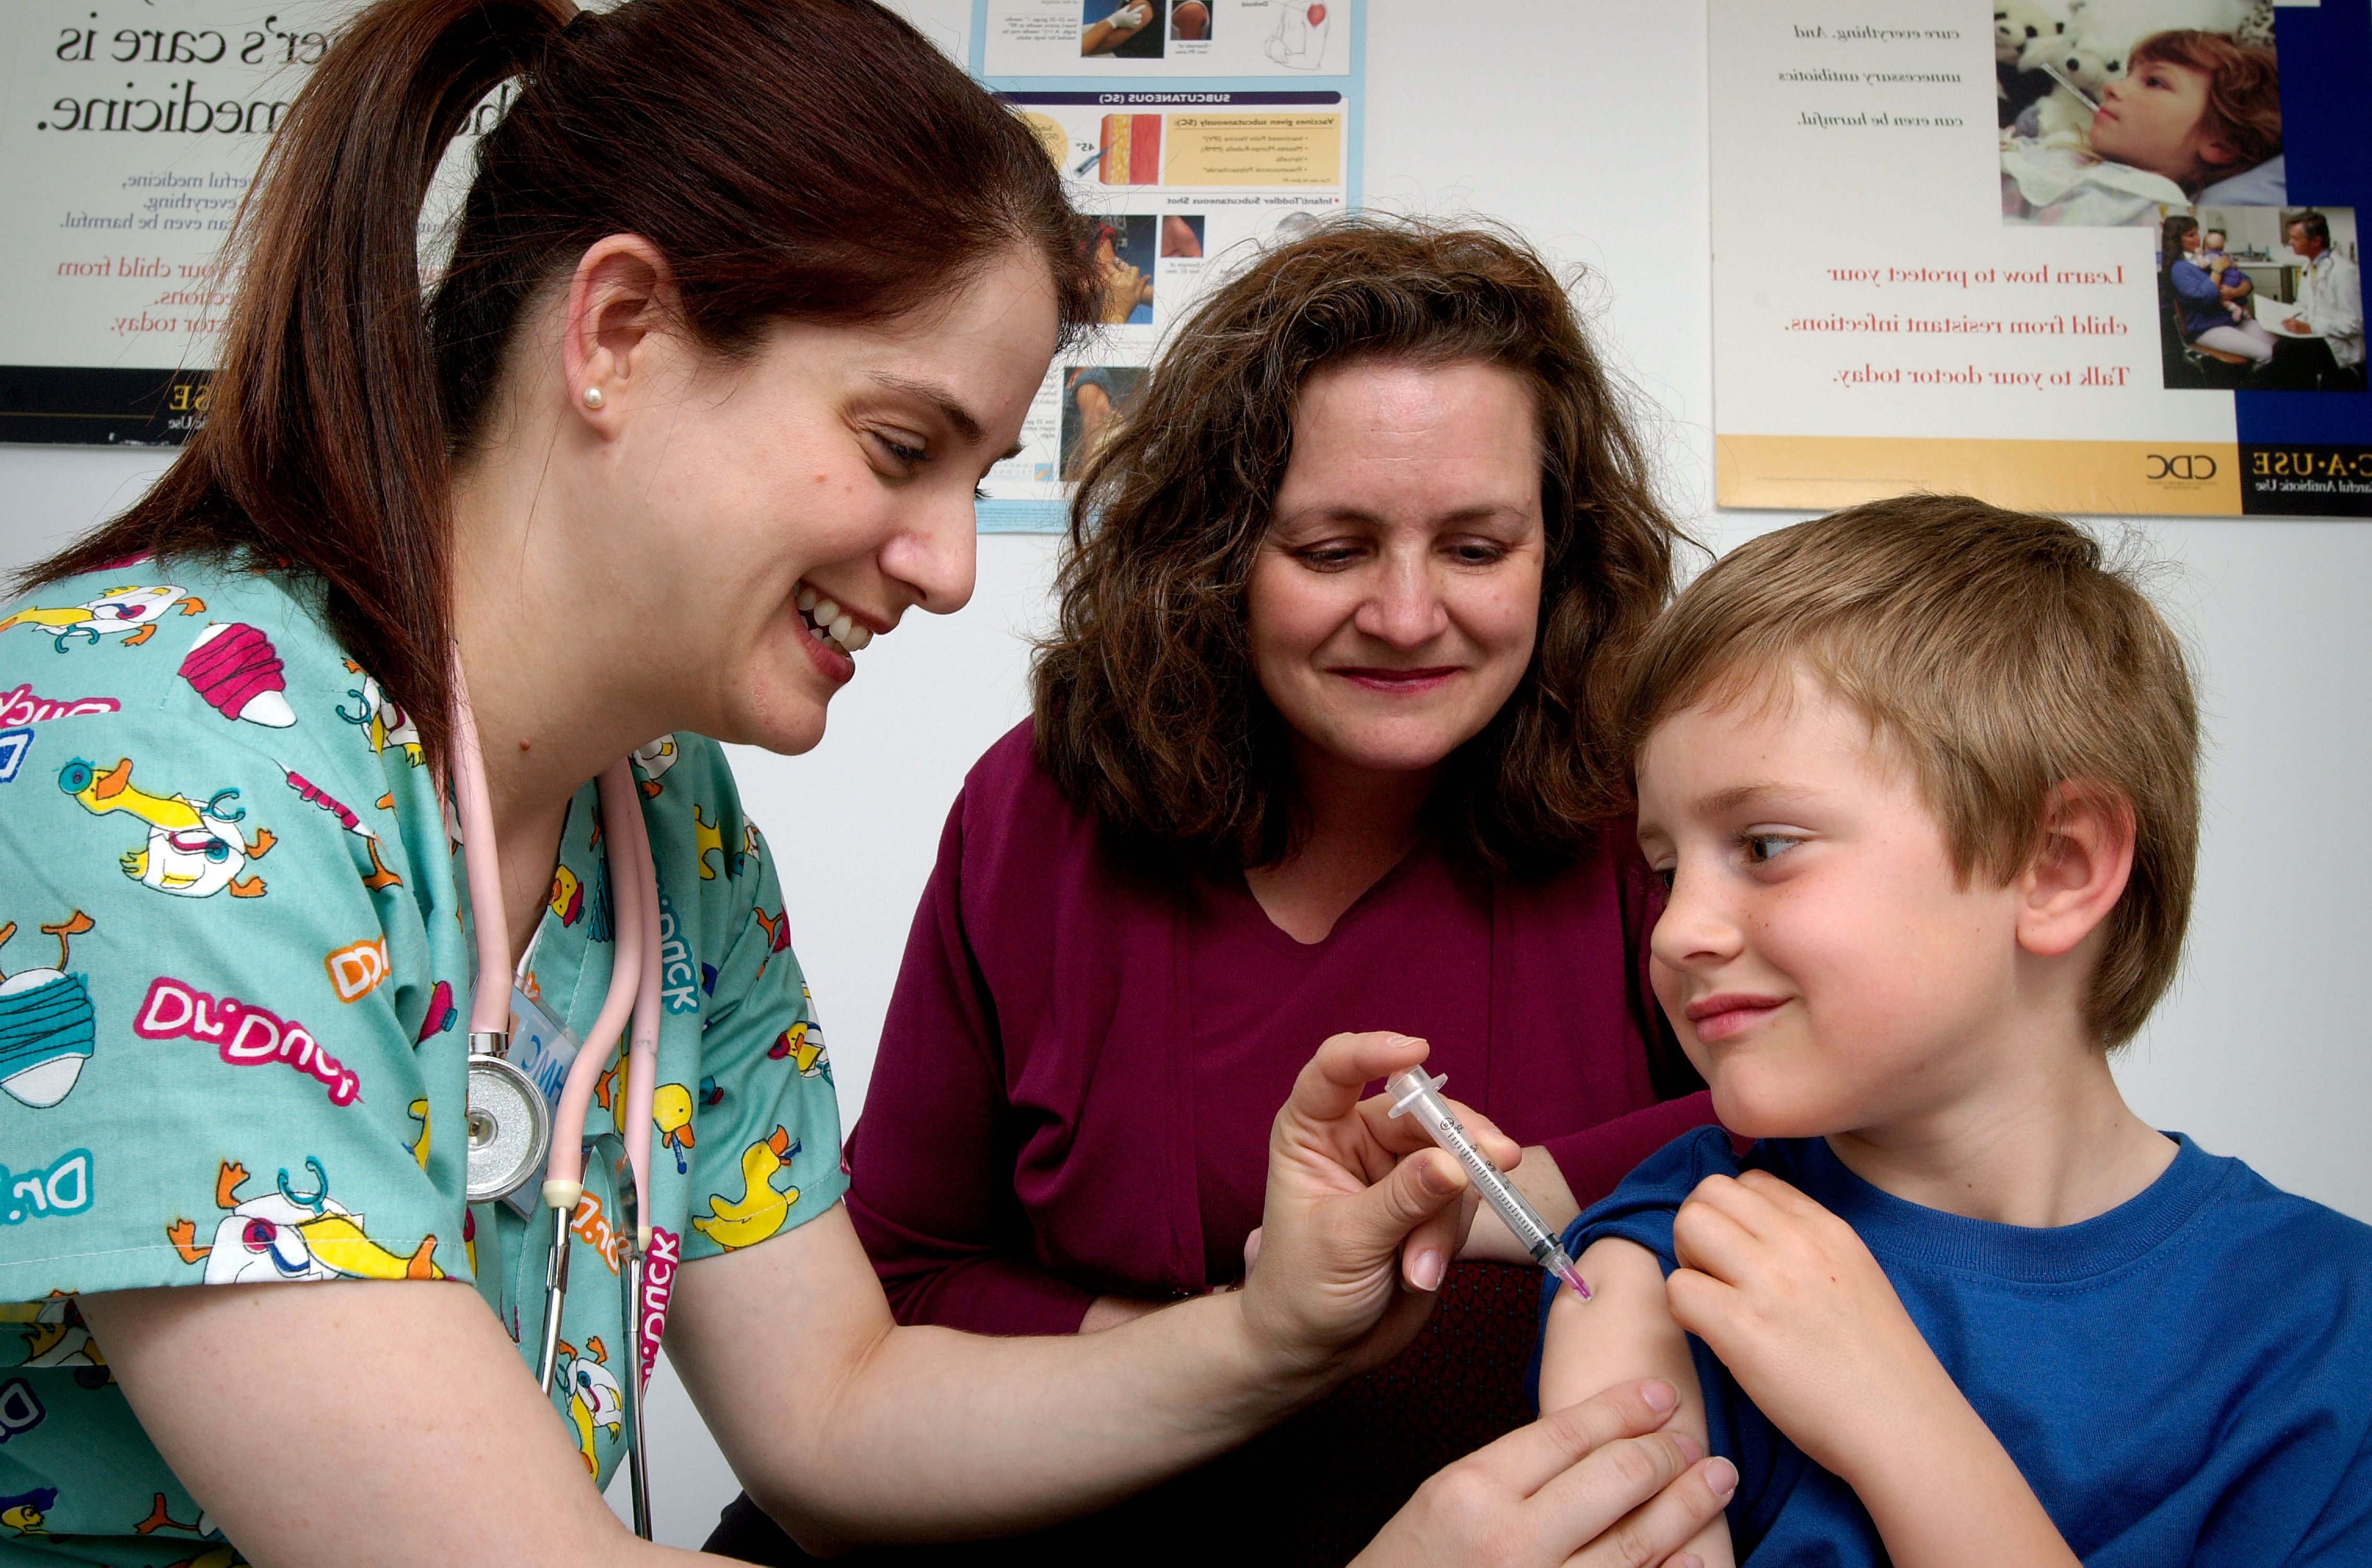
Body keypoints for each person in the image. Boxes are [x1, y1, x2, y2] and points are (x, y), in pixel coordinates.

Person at [0, 2, 1737, 1564]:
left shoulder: (661, 821)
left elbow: (837, 1413)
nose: (951, 566)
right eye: (904, 447)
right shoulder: (147, 740)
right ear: (614, 332)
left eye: (976, 475)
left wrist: (1272, 1331)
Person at [707, 219, 1719, 1565]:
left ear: (1560, 553)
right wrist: (1239, 1348)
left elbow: (1841, 1129)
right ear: (1216, 554)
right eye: (1331, 548)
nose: (1409, 616)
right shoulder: (1039, 811)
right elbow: (900, 1279)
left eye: (1475, 550)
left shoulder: (1647, 813)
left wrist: (1518, 1187)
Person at [1534, 497, 2372, 1564]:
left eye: (1765, 843)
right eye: (1664, 869)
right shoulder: (1691, 1227)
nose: (1680, 929)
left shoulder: (2330, 1326)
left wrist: (1901, 1421)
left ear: (2057, 866)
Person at [2003, 29, 2281, 225]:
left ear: (2221, 143)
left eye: (2155, 82)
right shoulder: (2084, 157)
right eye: (2128, 75)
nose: (2112, 87)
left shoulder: (2140, 205)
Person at [2163, 212, 2276, 364]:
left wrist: (2236, 291)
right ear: (2177, 240)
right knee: (2266, 353)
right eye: (2191, 235)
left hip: (2233, 321)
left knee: (2278, 346)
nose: (2197, 238)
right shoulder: (2180, 269)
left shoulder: (2207, 256)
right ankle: (2254, 385)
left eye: (2197, 233)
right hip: (2208, 328)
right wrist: (2217, 270)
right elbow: (2206, 297)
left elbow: (2244, 279)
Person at [2279, 210, 2366, 391]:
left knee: (2288, 351)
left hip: (2341, 344)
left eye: (2295, 238)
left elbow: (2355, 324)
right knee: (2281, 345)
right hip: (2317, 336)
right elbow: (2304, 305)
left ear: (2316, 241)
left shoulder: (2345, 272)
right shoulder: (2309, 266)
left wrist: (2311, 328)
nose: (2290, 243)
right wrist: (2289, 318)